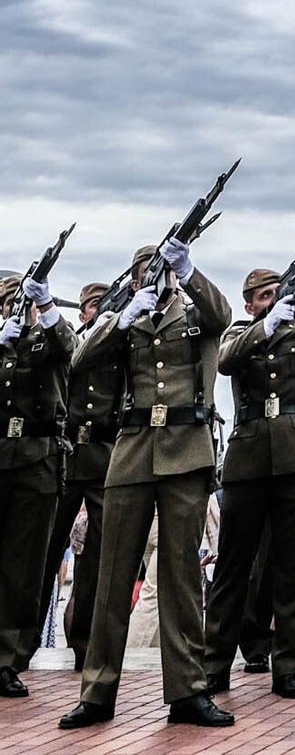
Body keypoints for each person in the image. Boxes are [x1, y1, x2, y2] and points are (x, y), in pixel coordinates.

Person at [60, 241, 235, 730]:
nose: (153, 280)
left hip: (186, 450)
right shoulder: (128, 320)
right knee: (114, 575)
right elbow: (79, 359)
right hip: (133, 451)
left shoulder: (196, 312)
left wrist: (190, 270)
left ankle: (188, 692)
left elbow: (222, 316)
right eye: (144, 273)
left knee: (180, 577)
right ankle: (97, 692)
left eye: (160, 271)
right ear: (133, 279)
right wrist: (117, 317)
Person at [202, 258, 295, 698]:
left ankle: (287, 666)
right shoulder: (239, 334)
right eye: (265, 297)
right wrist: (267, 326)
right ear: (250, 305)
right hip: (248, 459)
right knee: (232, 567)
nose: (276, 302)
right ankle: (215, 664)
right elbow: (225, 361)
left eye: (278, 294)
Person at [0, 271, 78, 699]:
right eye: (16, 302)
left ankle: (8, 658)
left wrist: (46, 309)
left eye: (24, 302)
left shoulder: (47, 341)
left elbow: (68, 348)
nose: (21, 310)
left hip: (37, 460)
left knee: (23, 567)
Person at [36, 281, 116, 674]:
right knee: (45, 551)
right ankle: (24, 639)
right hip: (67, 455)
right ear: (83, 312)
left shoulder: (118, 344)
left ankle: (84, 645)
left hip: (103, 455)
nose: (98, 312)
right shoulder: (68, 341)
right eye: (93, 307)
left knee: (96, 561)